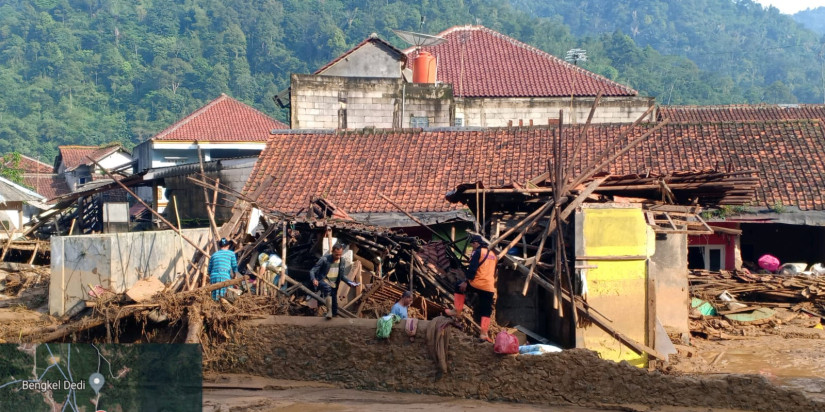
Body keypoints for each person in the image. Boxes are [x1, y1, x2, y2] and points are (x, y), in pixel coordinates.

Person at [445, 235, 498, 342]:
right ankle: (484, 334)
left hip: (477, 283)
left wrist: (465, 282)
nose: (472, 247)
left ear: (476, 243)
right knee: (486, 310)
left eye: (472, 244)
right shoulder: (493, 254)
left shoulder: (478, 252)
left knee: (458, 286)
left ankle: (457, 311)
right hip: (489, 286)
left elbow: (472, 269)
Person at [310, 242, 359, 319]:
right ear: (332, 252)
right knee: (327, 289)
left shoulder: (342, 261)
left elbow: (341, 276)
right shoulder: (324, 259)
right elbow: (312, 271)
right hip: (323, 280)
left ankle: (334, 314)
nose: (338, 256)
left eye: (340, 254)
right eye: (336, 254)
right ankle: (329, 311)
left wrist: (350, 282)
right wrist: (314, 279)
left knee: (334, 304)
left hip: (334, 283)